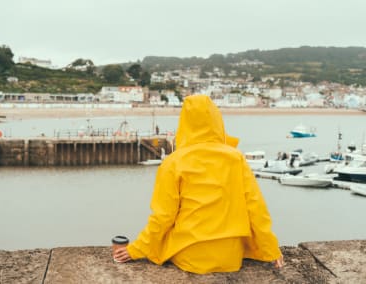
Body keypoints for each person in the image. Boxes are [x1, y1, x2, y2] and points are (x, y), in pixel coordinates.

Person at [113, 95, 284, 274]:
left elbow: (163, 216)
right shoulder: (236, 157)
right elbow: (256, 208)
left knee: (165, 242)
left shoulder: (174, 162)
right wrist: (271, 249)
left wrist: (136, 249)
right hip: (230, 257)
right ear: (217, 121)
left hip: (190, 255)